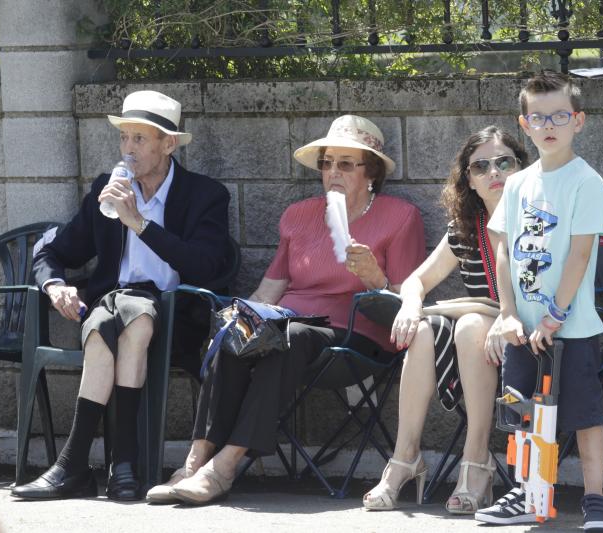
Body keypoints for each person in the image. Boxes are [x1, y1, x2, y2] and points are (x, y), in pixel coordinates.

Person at [145, 114, 426, 505]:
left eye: (346, 164)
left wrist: (374, 277)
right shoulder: (298, 215)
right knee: (241, 329)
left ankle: (225, 467)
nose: (333, 172)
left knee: (288, 337)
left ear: (371, 173)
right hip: (291, 327)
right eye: (327, 163)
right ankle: (195, 460)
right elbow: (270, 290)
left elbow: (404, 301)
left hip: (356, 337)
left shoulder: (399, 217)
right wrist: (240, 316)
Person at [11, 90, 231, 501]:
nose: (128, 149)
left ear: (169, 145)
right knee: (103, 323)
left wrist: (140, 224)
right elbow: (52, 249)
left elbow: (207, 264)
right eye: (124, 138)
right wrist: (56, 285)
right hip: (115, 308)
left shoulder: (205, 195)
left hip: (173, 315)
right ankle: (119, 468)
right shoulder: (106, 191)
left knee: (134, 315)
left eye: (139, 139)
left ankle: (80, 465)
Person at [474, 71, 603, 532]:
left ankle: (595, 500)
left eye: (559, 115)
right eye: (538, 117)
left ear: (579, 120)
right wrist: (509, 313)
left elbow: (579, 254)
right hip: (524, 329)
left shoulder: (586, 182)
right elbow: (503, 249)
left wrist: (555, 316)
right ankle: (528, 490)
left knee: (584, 414)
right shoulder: (516, 184)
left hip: (569, 330)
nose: (548, 124)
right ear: (525, 123)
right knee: (521, 411)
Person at [362, 127, 529, 513]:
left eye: (504, 162)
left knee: (470, 323)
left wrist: (494, 314)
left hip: (528, 337)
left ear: (521, 168)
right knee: (422, 329)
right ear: (468, 179)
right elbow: (418, 280)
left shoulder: (536, 220)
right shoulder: (464, 228)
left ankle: (477, 459)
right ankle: (405, 458)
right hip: (480, 343)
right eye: (481, 166)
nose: (494, 173)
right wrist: (409, 304)